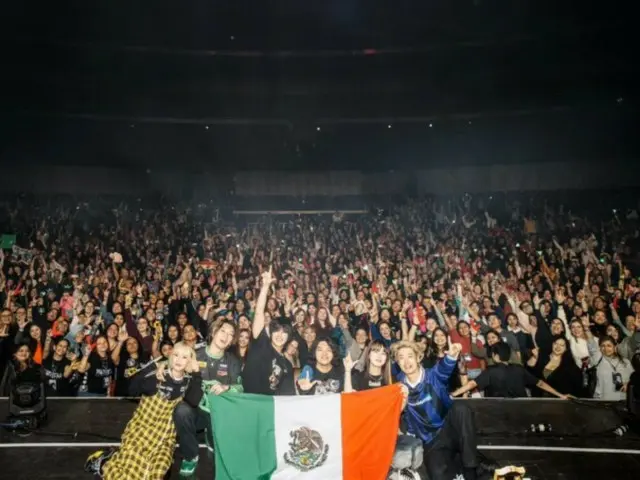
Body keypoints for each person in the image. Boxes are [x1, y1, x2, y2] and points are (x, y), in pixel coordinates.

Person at [85, 342, 201, 479]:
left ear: (190, 361)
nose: (178, 360)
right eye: (175, 355)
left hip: (163, 442)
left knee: (156, 475)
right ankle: (104, 463)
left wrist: (197, 374)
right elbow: (131, 390)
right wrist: (152, 367)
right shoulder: (157, 376)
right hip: (139, 434)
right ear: (170, 356)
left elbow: (193, 401)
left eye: (184, 357)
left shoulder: (188, 382)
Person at [392, 338, 490, 480]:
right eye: (401, 358)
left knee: (461, 408)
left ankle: (470, 470)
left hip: (450, 427)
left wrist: (451, 355)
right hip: (431, 440)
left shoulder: (432, 375)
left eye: (410, 356)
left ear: (418, 358)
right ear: (398, 362)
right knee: (437, 474)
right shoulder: (399, 389)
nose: (406, 362)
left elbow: (443, 368)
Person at [170, 318, 242, 478]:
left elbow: (240, 388)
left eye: (231, 335)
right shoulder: (195, 352)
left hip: (221, 414)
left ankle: (212, 438)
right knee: (181, 411)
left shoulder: (233, 362)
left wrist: (227, 387)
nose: (226, 336)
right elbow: (172, 362)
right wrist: (162, 367)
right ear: (214, 331)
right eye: (223, 331)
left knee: (222, 461)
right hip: (198, 410)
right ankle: (191, 456)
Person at [451, 342, 572, 399]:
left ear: (495, 356)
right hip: (522, 410)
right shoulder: (519, 369)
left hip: (499, 411)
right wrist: (560, 395)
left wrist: (453, 394)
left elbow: (472, 384)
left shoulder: (491, 371)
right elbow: (540, 383)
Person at [242, 267, 295, 395]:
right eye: (277, 331)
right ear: (270, 333)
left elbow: (288, 393)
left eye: (284, 333)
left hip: (270, 408)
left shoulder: (286, 363)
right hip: (249, 401)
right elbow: (259, 312)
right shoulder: (261, 343)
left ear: (288, 338)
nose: (280, 335)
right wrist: (265, 286)